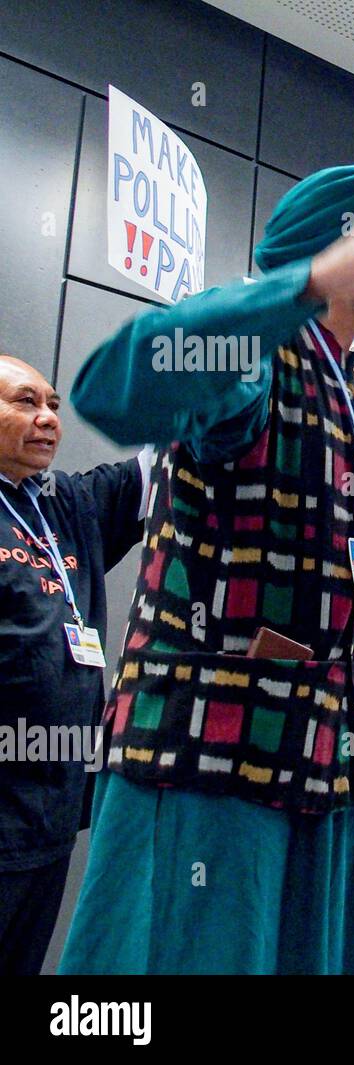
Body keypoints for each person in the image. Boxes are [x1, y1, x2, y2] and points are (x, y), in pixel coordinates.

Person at [57, 165, 354, 974]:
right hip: (209, 766)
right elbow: (114, 386)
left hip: (317, 766)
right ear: (347, 244)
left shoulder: (347, 401)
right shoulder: (258, 362)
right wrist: (315, 280)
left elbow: (318, 593)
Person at [0, 355, 148, 975]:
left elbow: (157, 464)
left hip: (50, 807)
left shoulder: (67, 505)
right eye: (24, 402)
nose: (46, 419)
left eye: (55, 406)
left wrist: (238, 347)